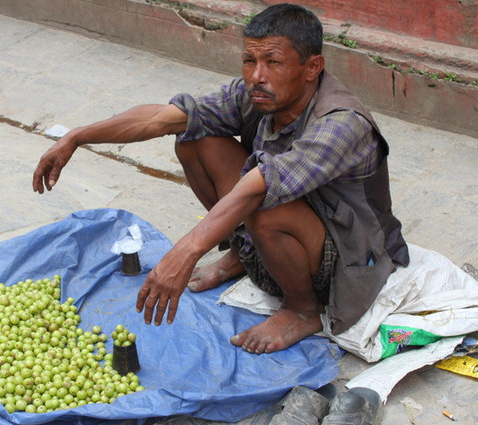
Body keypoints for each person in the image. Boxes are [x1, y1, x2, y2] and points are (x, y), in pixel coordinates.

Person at [33, 3, 409, 354]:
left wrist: (185, 251)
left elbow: (260, 187)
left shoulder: (341, 123)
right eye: (249, 60)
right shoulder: (258, 94)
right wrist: (77, 136)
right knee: (195, 139)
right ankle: (243, 254)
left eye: (273, 62)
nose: (257, 76)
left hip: (349, 250)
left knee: (263, 204)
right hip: (291, 215)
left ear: (312, 67)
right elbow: (162, 118)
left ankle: (301, 309)